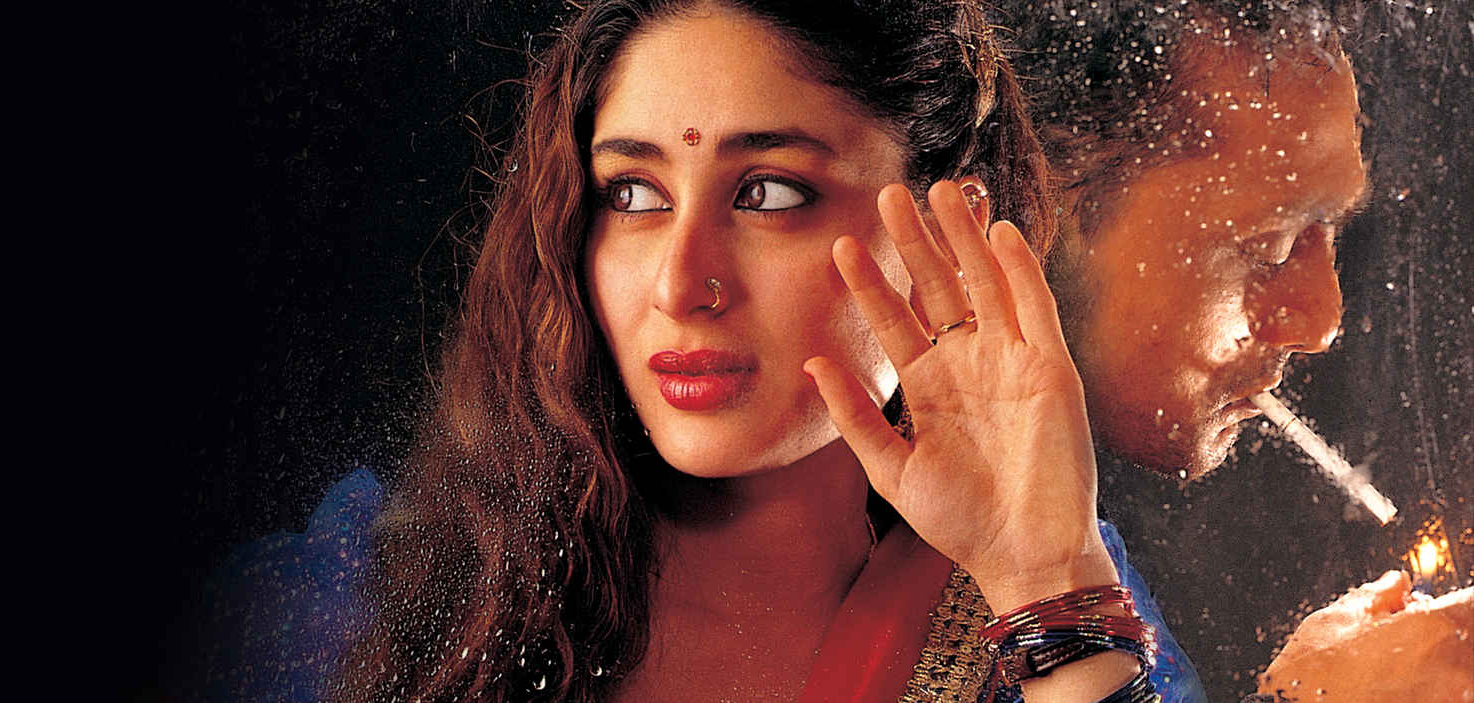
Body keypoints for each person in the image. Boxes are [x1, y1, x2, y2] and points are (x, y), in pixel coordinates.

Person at [203, 1, 1196, 701]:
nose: (681, 285)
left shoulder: (1048, 604)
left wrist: (1043, 582)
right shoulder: (372, 595)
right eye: (633, 195)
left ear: (948, 228)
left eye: (768, 194)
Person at [1003, 0, 1473, 700]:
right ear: (1041, 208)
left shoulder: (1065, 534)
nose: (1322, 323)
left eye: (1330, 231)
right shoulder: (922, 555)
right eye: (1269, 245)